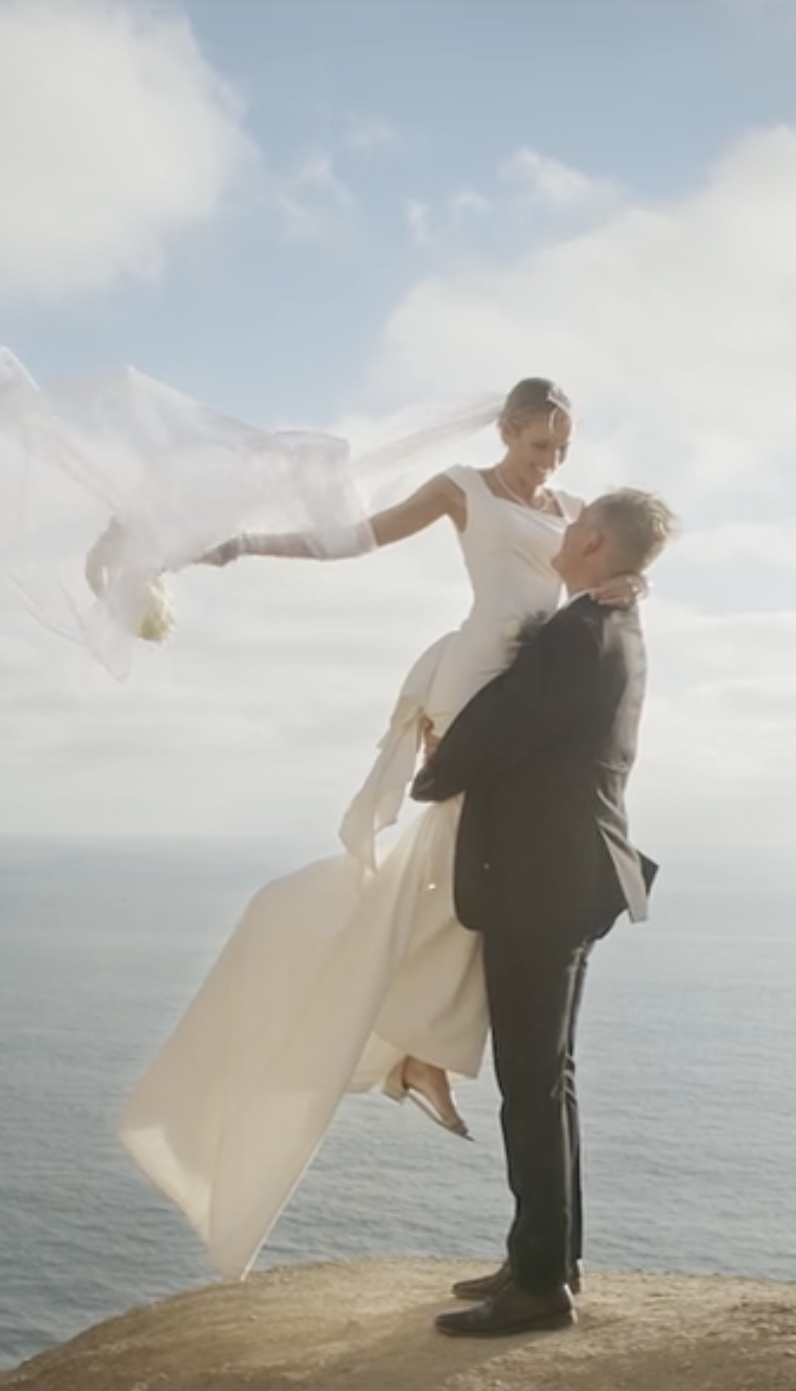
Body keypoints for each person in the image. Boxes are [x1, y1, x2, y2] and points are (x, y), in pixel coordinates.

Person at [97, 376, 644, 1279]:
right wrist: (241, 546)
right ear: (503, 429)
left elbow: (608, 579)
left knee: (459, 883)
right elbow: (355, 538)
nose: (550, 462)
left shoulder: (580, 514)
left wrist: (633, 588)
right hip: (479, 683)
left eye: (562, 447)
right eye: (538, 443)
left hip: (533, 687)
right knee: (457, 875)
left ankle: (420, 1049)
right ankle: (419, 1049)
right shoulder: (460, 489)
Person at [411, 487, 675, 1337]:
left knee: (530, 1085)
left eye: (575, 521)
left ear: (594, 541)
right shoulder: (613, 623)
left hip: (540, 883)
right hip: (571, 877)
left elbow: (502, 729)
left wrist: (434, 767)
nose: (562, 529)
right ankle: (546, 1259)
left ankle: (538, 1288)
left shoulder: (577, 636)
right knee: (548, 1081)